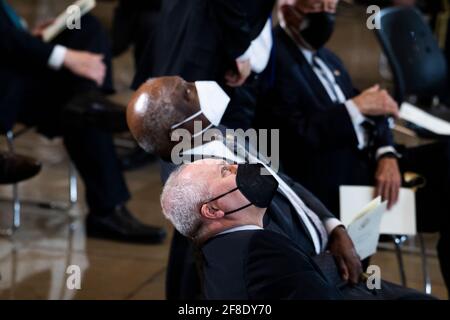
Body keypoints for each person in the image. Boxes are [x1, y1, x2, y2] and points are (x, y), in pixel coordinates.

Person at [255, 0, 450, 293]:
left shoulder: (328, 59)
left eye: (331, 7)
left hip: (378, 171)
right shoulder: (275, 62)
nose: (327, 14)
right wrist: (353, 108)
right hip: (347, 191)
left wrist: (386, 154)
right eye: (317, 7)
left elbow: (377, 108)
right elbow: (294, 136)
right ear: (287, 8)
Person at [0, 1, 165, 244]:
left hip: (16, 69)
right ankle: (107, 211)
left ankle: (88, 98)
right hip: (6, 90)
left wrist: (31, 36)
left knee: (84, 25)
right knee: (78, 110)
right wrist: (65, 57)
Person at [160, 158, 434, 299]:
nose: (237, 166)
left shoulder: (217, 251)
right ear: (212, 210)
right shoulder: (262, 251)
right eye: (224, 172)